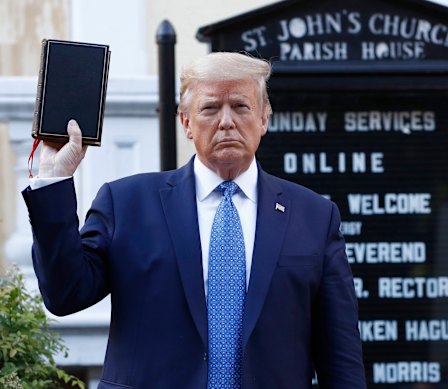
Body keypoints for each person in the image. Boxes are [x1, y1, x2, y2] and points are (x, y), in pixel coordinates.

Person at [22, 52, 366, 388]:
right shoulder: (127, 204)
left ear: (264, 119)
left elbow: (340, 355)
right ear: (186, 122)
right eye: (211, 108)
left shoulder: (314, 216)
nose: (227, 121)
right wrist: (55, 177)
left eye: (241, 106)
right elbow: (65, 294)